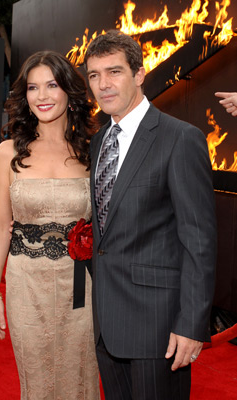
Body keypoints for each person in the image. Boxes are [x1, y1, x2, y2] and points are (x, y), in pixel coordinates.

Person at [84, 30, 217, 400]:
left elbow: (199, 240)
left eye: (114, 72)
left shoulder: (180, 138)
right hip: (106, 322)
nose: (103, 85)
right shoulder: (99, 142)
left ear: (140, 74)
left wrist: (191, 324)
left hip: (158, 326)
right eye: (94, 76)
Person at [0, 50, 100, 400]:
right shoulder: (7, 153)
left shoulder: (91, 151)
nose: (42, 96)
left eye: (51, 85)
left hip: (81, 287)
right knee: (36, 380)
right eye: (33, 88)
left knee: (82, 376)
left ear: (68, 91)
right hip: (26, 286)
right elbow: (1, 227)